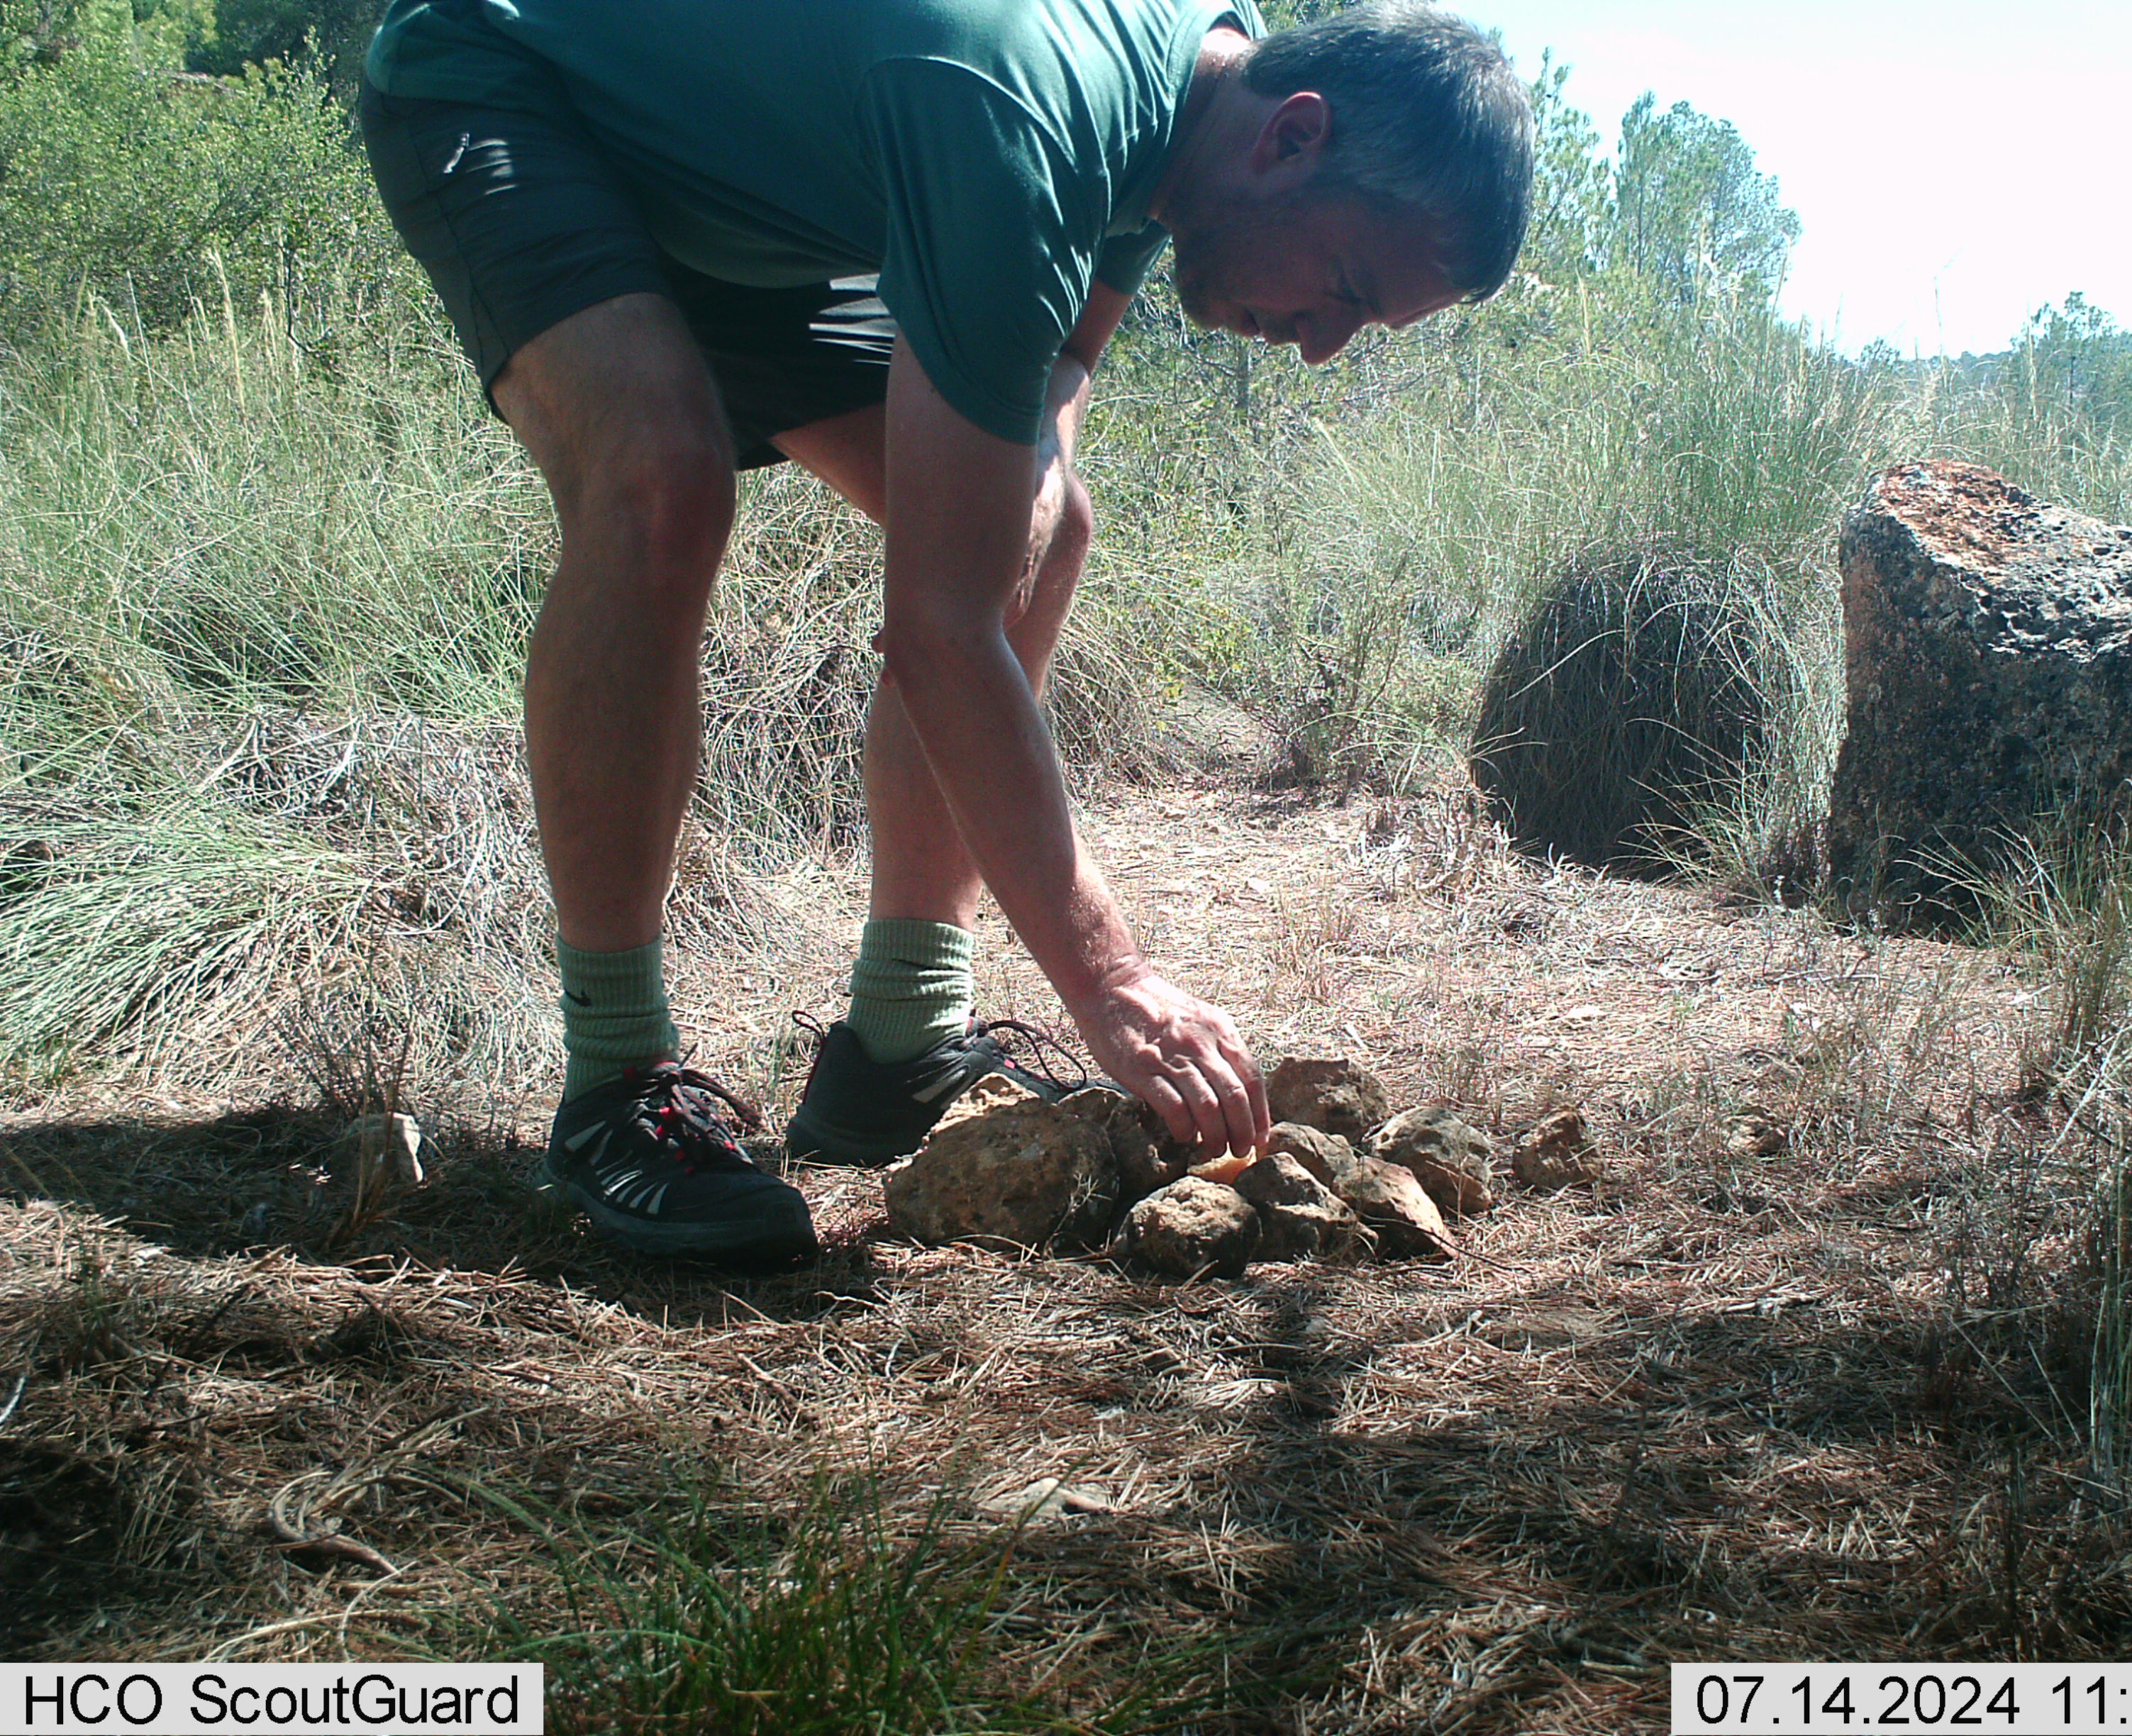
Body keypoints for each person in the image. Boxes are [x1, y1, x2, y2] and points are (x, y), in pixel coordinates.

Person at [358, 0, 1534, 1262]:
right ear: (1293, 138)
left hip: (745, 214)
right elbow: (936, 633)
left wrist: (1023, 502)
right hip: (513, 82)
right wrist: (1111, 980)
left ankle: (898, 1043)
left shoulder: (1195, 115)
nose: (1319, 347)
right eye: (1345, 291)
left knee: (1047, 524)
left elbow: (1063, 362)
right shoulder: (1030, 114)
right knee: (661, 476)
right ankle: (613, 1082)